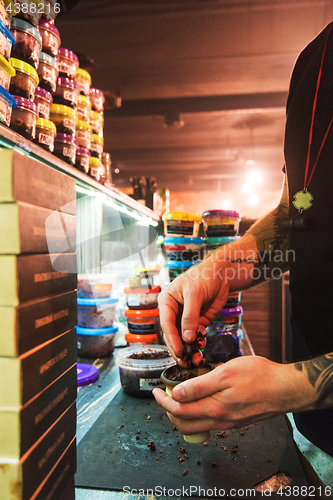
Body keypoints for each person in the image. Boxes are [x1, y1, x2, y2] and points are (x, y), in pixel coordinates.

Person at [153, 21, 333, 461]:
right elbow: (300, 211)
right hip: (318, 433)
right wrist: (220, 267)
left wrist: (292, 385)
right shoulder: (315, 59)